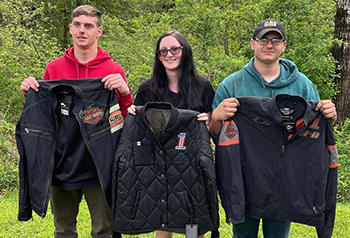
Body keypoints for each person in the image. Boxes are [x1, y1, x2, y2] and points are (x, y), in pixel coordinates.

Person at [209, 19, 337, 238]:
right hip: (245, 176)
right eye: (263, 40)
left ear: (284, 45)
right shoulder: (232, 85)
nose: (269, 45)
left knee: (278, 234)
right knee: (243, 234)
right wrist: (217, 117)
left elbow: (314, 129)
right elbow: (216, 134)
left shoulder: (302, 85)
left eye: (275, 40)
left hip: (285, 179)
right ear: (252, 43)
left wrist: (329, 117)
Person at [19, 5, 132, 238]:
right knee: (63, 230)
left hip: (99, 163)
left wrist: (124, 92)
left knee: (104, 230)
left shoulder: (112, 70)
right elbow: (45, 113)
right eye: (78, 25)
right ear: (71, 28)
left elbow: (123, 119)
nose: (83, 30)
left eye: (89, 26)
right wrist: (30, 95)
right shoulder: (54, 68)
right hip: (60, 160)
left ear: (99, 31)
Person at [128, 30, 215, 238]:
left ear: (184, 51)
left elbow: (213, 126)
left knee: (193, 224)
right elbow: (139, 131)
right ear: (158, 56)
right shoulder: (148, 89)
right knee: (163, 222)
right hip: (160, 167)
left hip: (192, 168)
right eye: (163, 51)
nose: (169, 54)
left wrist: (209, 121)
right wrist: (132, 114)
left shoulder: (202, 86)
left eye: (175, 49)